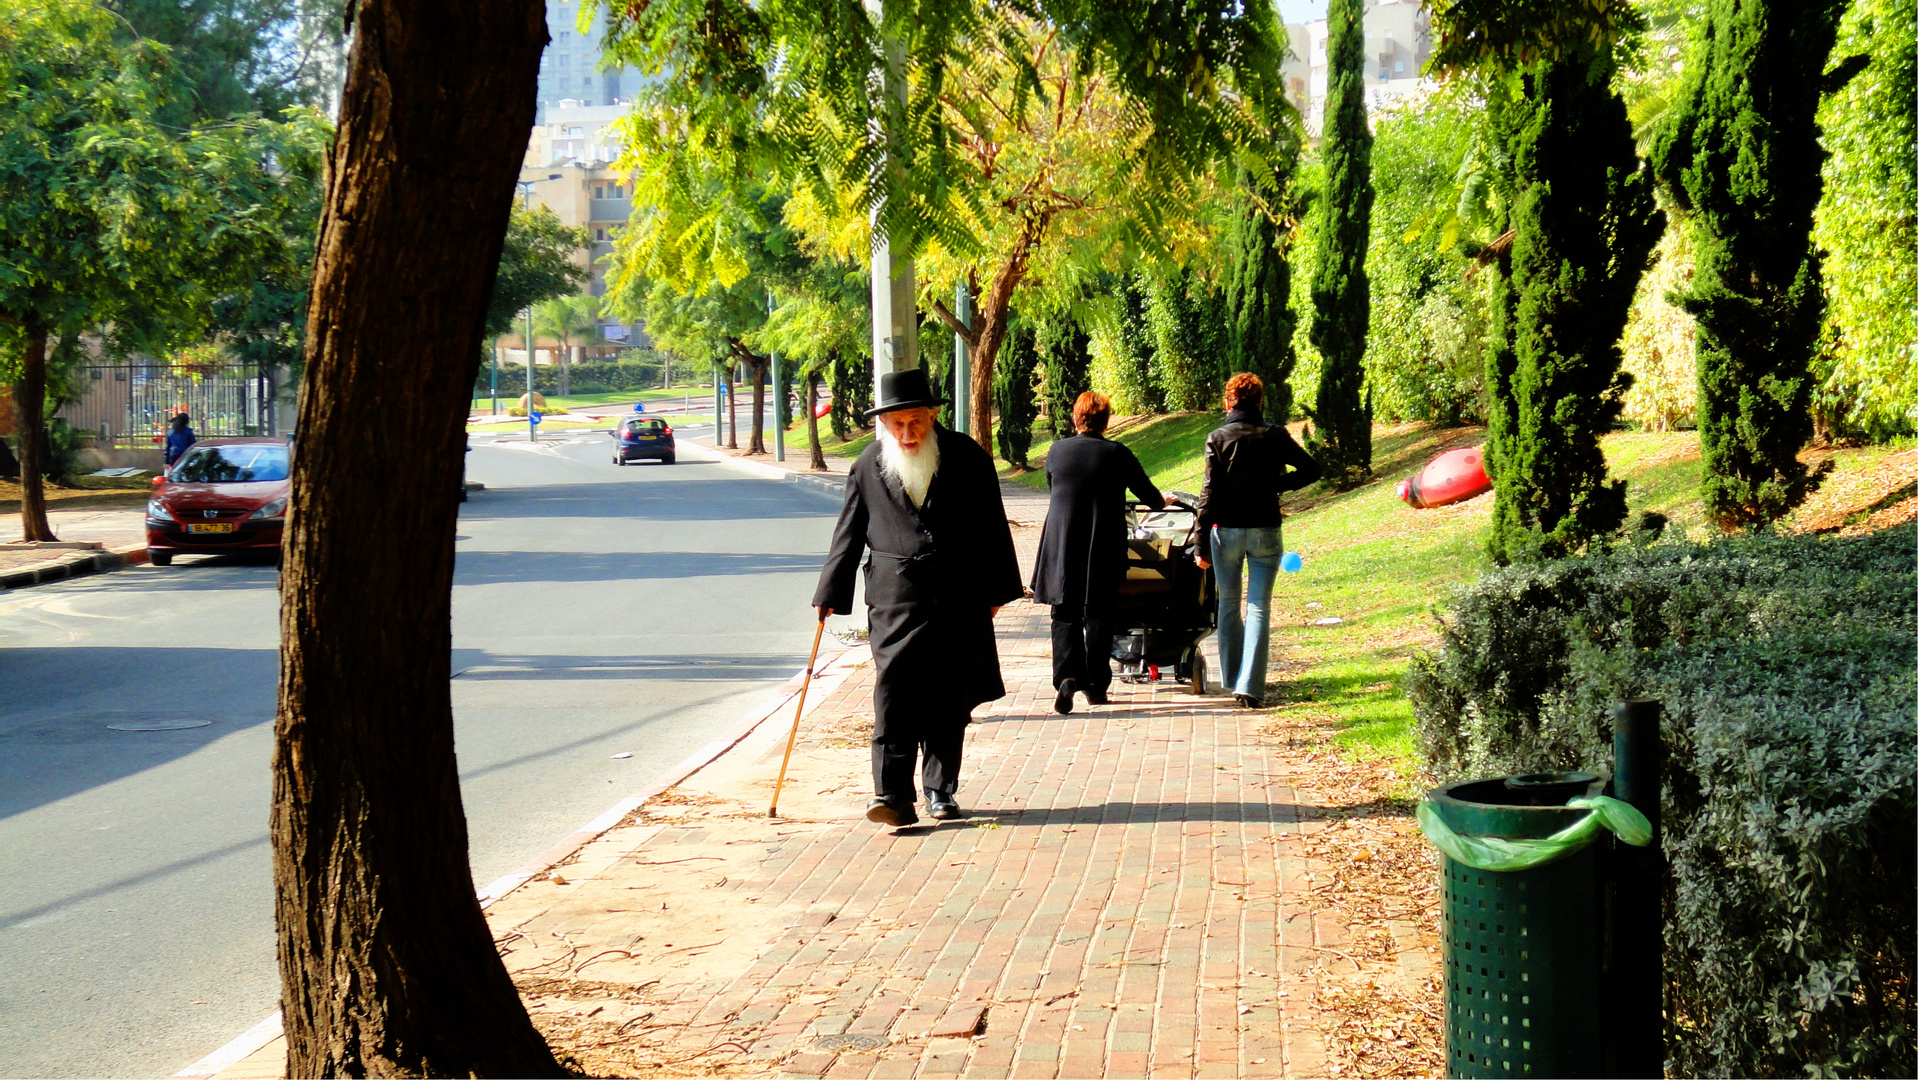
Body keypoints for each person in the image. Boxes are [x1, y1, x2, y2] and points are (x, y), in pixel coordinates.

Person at [813, 368, 1023, 827]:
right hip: (894, 598)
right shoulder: (868, 464)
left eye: (915, 422)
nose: (907, 434)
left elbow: (992, 525)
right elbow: (848, 533)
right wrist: (831, 589)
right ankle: (890, 794)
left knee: (950, 693)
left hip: (958, 593)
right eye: (897, 425)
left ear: (932, 415)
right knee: (893, 692)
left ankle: (939, 790)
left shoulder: (967, 457)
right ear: (884, 424)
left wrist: (997, 591)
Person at [1030, 391, 1163, 715]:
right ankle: (1095, 685)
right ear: (1105, 421)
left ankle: (1066, 677)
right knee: (1099, 613)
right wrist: (1164, 501)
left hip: (1061, 540)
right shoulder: (1117, 453)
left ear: (1076, 418)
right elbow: (1150, 496)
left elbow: (1054, 485)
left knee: (1064, 612)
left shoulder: (1057, 451)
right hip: (1102, 542)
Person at [1194, 373, 1321, 708]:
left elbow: (1208, 495)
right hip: (1265, 528)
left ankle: (1232, 678)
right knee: (1259, 606)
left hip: (1227, 532)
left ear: (1228, 402)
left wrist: (1200, 545)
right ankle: (1251, 686)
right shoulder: (1275, 435)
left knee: (1228, 605)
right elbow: (1311, 470)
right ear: (1261, 402)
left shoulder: (1218, 437)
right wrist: (1277, 486)